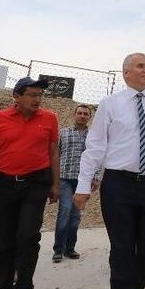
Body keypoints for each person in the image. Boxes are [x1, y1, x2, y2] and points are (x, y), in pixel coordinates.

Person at [74, 52, 145, 289]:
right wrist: (82, 184)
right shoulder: (110, 104)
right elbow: (96, 146)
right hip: (118, 184)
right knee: (122, 247)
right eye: (140, 66)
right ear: (126, 73)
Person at [0, 77, 60, 289]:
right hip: (4, 185)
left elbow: (53, 153)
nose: (37, 99)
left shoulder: (50, 119)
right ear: (16, 96)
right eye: (32, 95)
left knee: (28, 237)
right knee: (3, 242)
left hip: (36, 185)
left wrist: (56, 184)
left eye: (40, 95)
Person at [52, 104, 100, 263]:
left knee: (75, 216)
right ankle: (58, 249)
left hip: (83, 182)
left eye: (85, 114)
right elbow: (55, 155)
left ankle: (70, 248)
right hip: (65, 179)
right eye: (79, 113)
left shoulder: (94, 137)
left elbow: (98, 158)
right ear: (74, 115)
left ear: (89, 117)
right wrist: (54, 179)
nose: (82, 116)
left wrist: (96, 177)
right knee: (65, 211)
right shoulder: (63, 133)